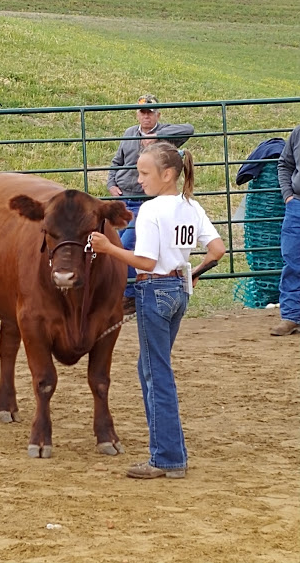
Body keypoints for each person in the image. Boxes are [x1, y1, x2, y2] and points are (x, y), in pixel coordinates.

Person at [92, 141, 225, 479]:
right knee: (151, 368)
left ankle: (167, 458)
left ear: (167, 175)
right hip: (178, 291)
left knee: (157, 374)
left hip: (155, 290)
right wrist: (189, 273)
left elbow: (146, 262)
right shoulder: (190, 206)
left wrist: (108, 248)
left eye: (144, 173)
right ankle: (168, 453)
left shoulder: (152, 209)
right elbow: (217, 250)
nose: (140, 180)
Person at [107, 94, 195, 316]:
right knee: (123, 243)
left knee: (124, 244)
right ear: (137, 114)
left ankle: (130, 294)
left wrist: (157, 136)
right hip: (125, 197)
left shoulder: (166, 136)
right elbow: (117, 162)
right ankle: (128, 291)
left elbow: (189, 129)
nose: (146, 116)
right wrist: (111, 184)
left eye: (150, 112)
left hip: (147, 202)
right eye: (142, 112)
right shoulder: (129, 133)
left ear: (158, 114)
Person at [270, 124, 300, 336]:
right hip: (297, 205)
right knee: (292, 260)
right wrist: (288, 196)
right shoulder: (298, 133)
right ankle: (290, 316)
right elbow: (285, 164)